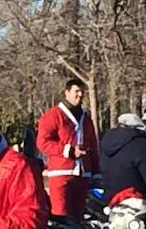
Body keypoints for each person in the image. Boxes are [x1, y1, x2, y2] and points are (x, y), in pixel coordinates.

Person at [36, 78, 99, 219]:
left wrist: (96, 171)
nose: (80, 95)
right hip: (61, 173)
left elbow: (93, 145)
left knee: (79, 217)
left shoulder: (85, 117)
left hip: (83, 174)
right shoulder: (53, 115)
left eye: (82, 92)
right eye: (76, 91)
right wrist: (68, 151)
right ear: (66, 93)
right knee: (61, 216)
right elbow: (42, 142)